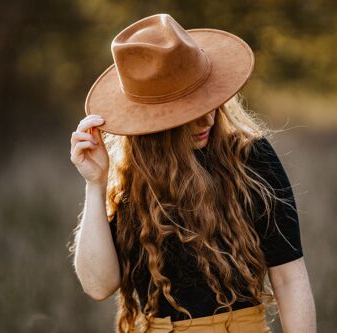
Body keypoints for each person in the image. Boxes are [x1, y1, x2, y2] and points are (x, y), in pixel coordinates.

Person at [69, 13, 316, 333]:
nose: (207, 120)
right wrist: (95, 184)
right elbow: (98, 285)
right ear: (152, 124)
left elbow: (289, 277)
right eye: (189, 112)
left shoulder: (250, 158)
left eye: (207, 101)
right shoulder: (133, 178)